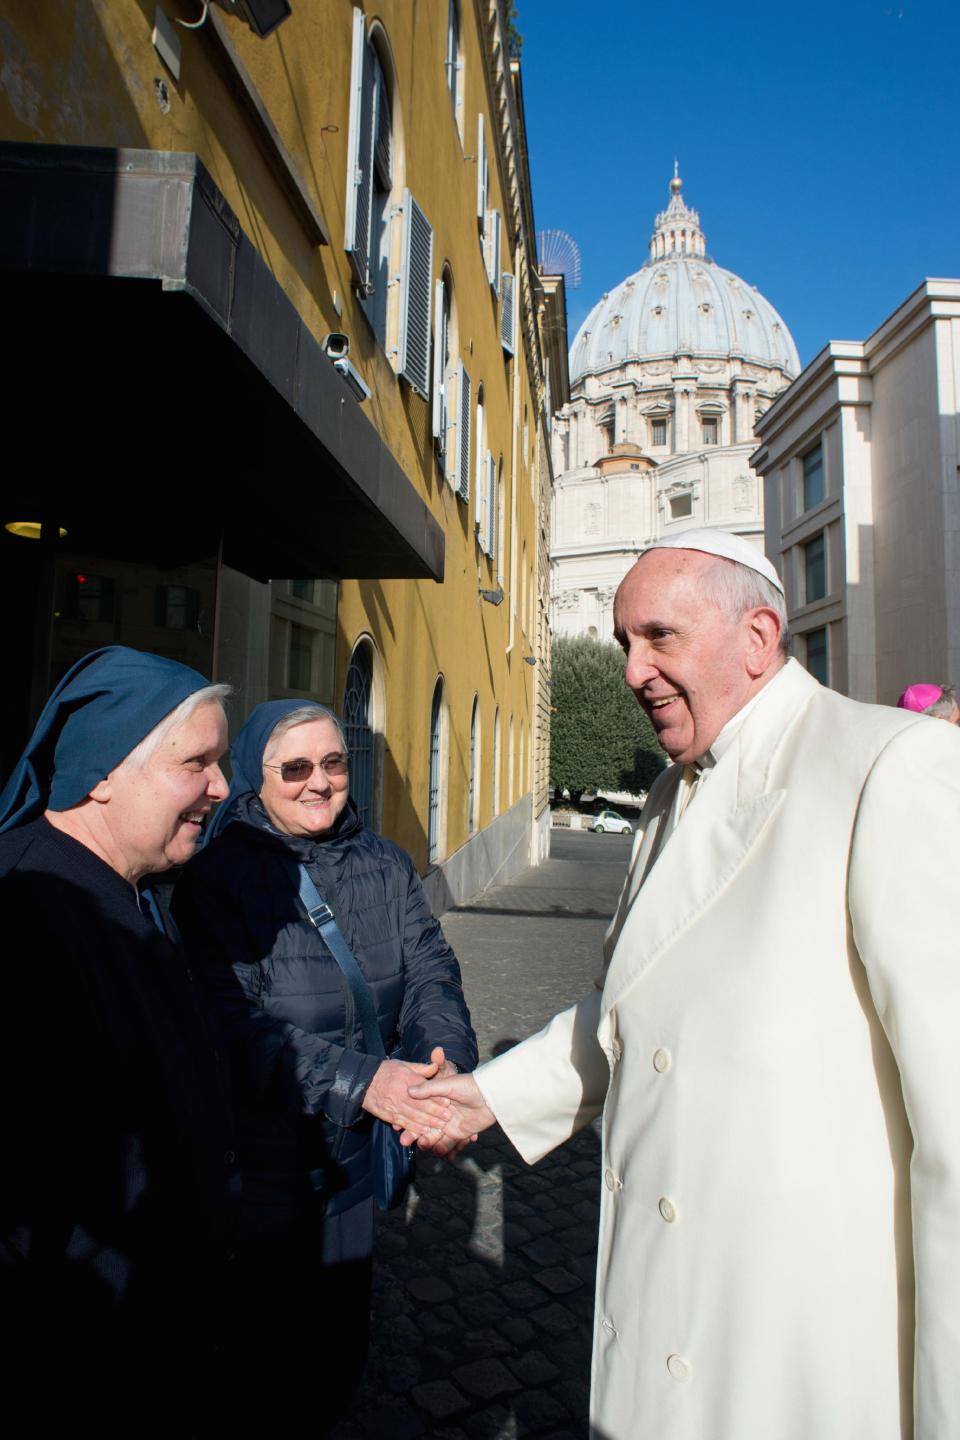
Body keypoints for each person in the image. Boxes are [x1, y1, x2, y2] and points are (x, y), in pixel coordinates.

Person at [411, 528, 960, 1440]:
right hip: (662, 1304)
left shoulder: (892, 767)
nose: (632, 670)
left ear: (756, 637)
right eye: (626, 641)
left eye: (659, 636)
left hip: (805, 1343)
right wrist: (482, 1098)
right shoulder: (668, 797)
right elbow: (632, 1012)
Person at [172, 699, 477, 1426]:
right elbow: (229, 1025)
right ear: (256, 777)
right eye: (297, 768)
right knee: (258, 1370)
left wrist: (443, 1070)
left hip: (353, 1173)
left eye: (334, 763)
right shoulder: (218, 882)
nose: (320, 782)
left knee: (336, 1360)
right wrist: (363, 1081)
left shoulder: (385, 863)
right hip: (264, 1180)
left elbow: (432, 970)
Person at [0, 646, 235, 1433]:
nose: (221, 788)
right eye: (196, 762)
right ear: (104, 771)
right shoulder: (29, 916)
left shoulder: (132, 890)